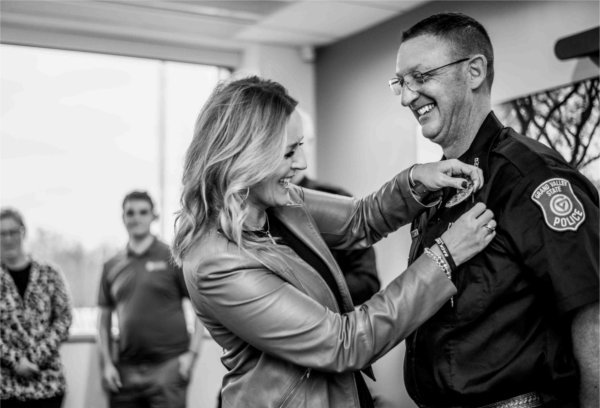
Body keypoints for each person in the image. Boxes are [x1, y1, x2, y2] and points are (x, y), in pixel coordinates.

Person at [172, 75, 497, 408]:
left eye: (300, 147)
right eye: (288, 152)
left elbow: (359, 219)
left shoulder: (279, 203)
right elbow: (343, 343)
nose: (302, 164)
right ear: (245, 158)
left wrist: (417, 180)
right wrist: (443, 257)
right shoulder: (216, 262)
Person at [392, 12, 599, 408]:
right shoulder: (439, 187)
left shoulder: (531, 178)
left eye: (420, 77)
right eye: (400, 83)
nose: (406, 96)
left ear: (474, 71)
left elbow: (592, 313)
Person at [97, 191, 203, 408]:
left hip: (169, 367)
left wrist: (191, 355)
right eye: (130, 213)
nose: (136, 218)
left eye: (143, 212)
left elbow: (201, 307)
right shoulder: (111, 265)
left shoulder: (172, 256)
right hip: (125, 371)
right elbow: (103, 321)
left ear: (153, 216)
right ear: (123, 218)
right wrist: (107, 364)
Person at [0, 207, 73, 408]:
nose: (8, 239)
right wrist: (15, 361)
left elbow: (64, 318)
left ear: (23, 232)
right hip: (6, 388)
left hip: (47, 383)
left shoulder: (49, 273)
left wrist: (35, 357)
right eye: (2, 233)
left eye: (13, 232)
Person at [294, 175, 380, 305]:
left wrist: (314, 294)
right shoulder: (259, 211)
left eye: (290, 154)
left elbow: (366, 281)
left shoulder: (331, 196)